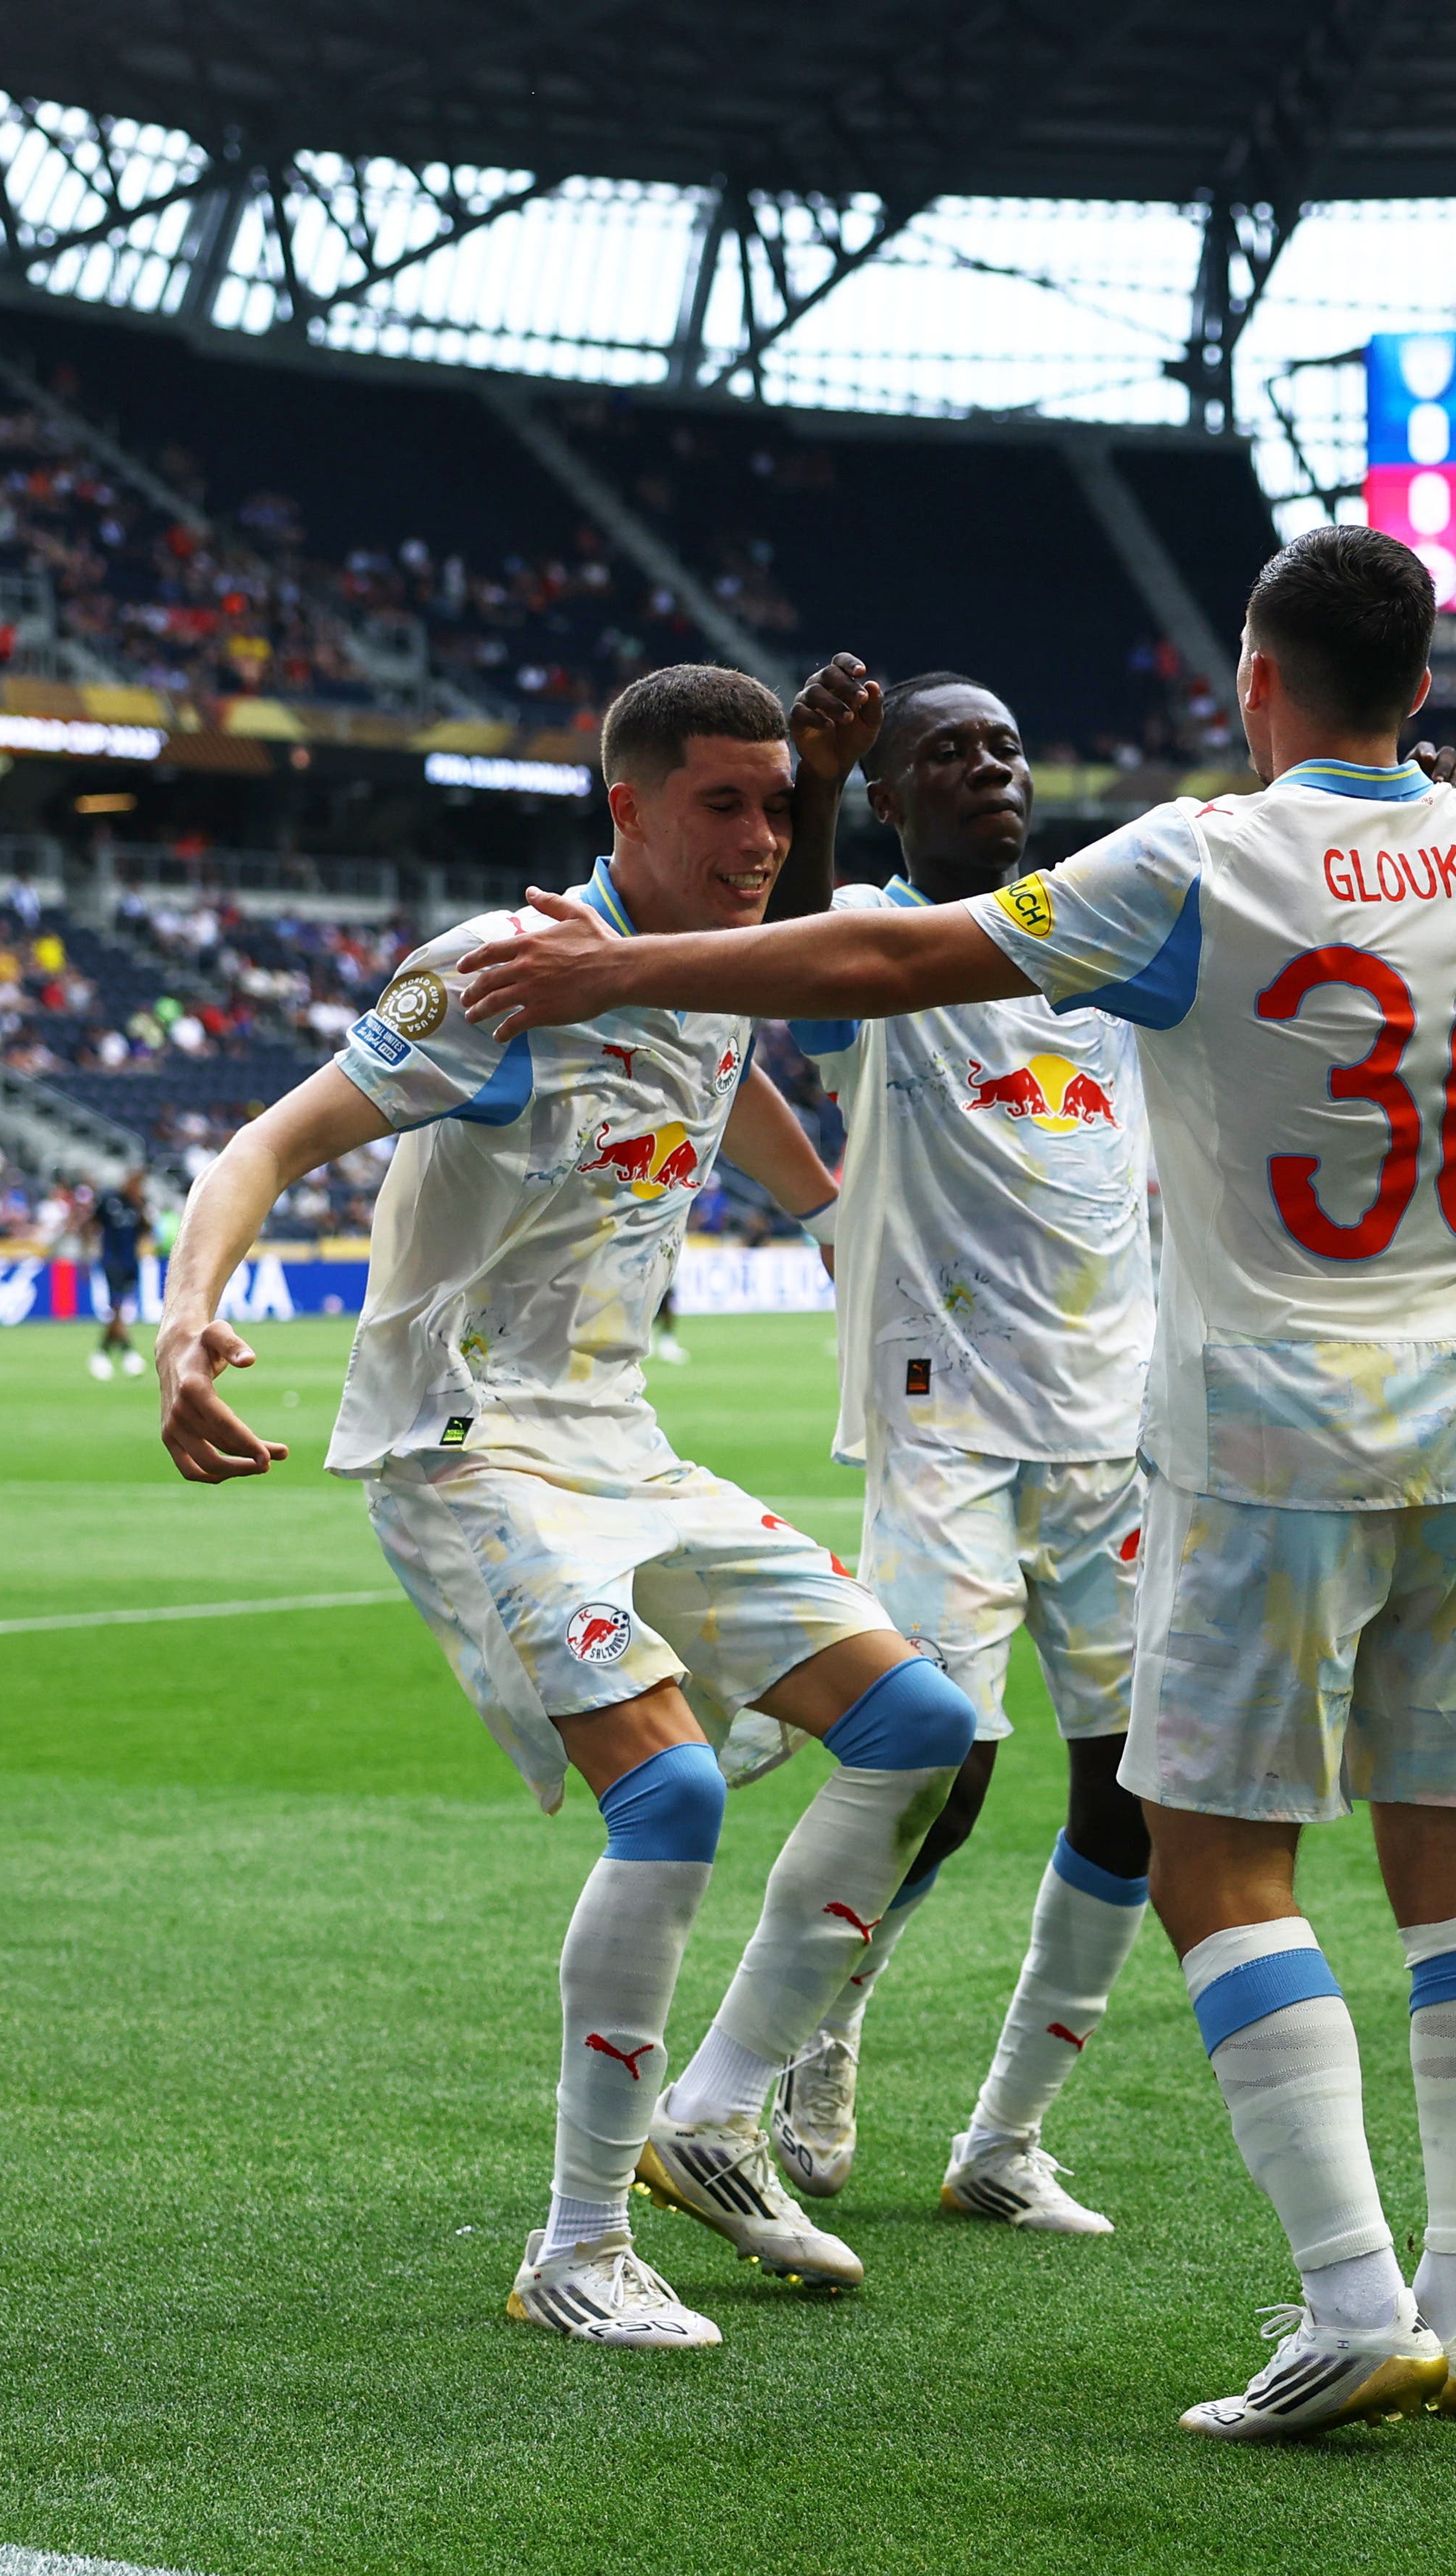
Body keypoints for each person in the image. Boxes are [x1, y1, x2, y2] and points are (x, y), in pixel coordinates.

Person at [454, 529, 1456, 2441]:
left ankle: (1350, 2298)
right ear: (1425, 689)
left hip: (1274, 1439)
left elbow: (885, 954)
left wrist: (618, 960)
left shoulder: (1198, 860)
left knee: (1213, 1858)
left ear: (1255, 681)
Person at [153, 663, 981, 2355]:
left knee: (921, 1724)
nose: (760, 840)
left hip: (620, 1441)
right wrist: (185, 1322)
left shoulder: (709, 975)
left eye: (777, 805)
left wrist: (847, 1233)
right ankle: (577, 2242)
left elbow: (759, 1112)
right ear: (627, 809)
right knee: (668, 1794)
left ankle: (717, 2109)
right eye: (721, 804)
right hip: (463, 1443)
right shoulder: (499, 971)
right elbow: (265, 1145)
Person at [754, 655, 1156, 2236]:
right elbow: (795, 972)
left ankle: (1006, 2137)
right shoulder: (880, 951)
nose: (990, 766)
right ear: (887, 797)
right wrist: (807, 785)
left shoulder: (1111, 954)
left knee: (1134, 1796)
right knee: (941, 1768)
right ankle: (826, 2021)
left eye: (1006, 745)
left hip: (1114, 1438)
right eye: (947, 753)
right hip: (947, 1429)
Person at [88, 1169, 151, 1378]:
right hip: (111, 1261)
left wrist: (141, 1207)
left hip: (131, 1262)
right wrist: (88, 1252)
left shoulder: (137, 1204)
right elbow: (92, 1225)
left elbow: (146, 1230)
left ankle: (103, 1353)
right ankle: (128, 1353)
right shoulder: (109, 1200)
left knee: (119, 1311)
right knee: (117, 1308)